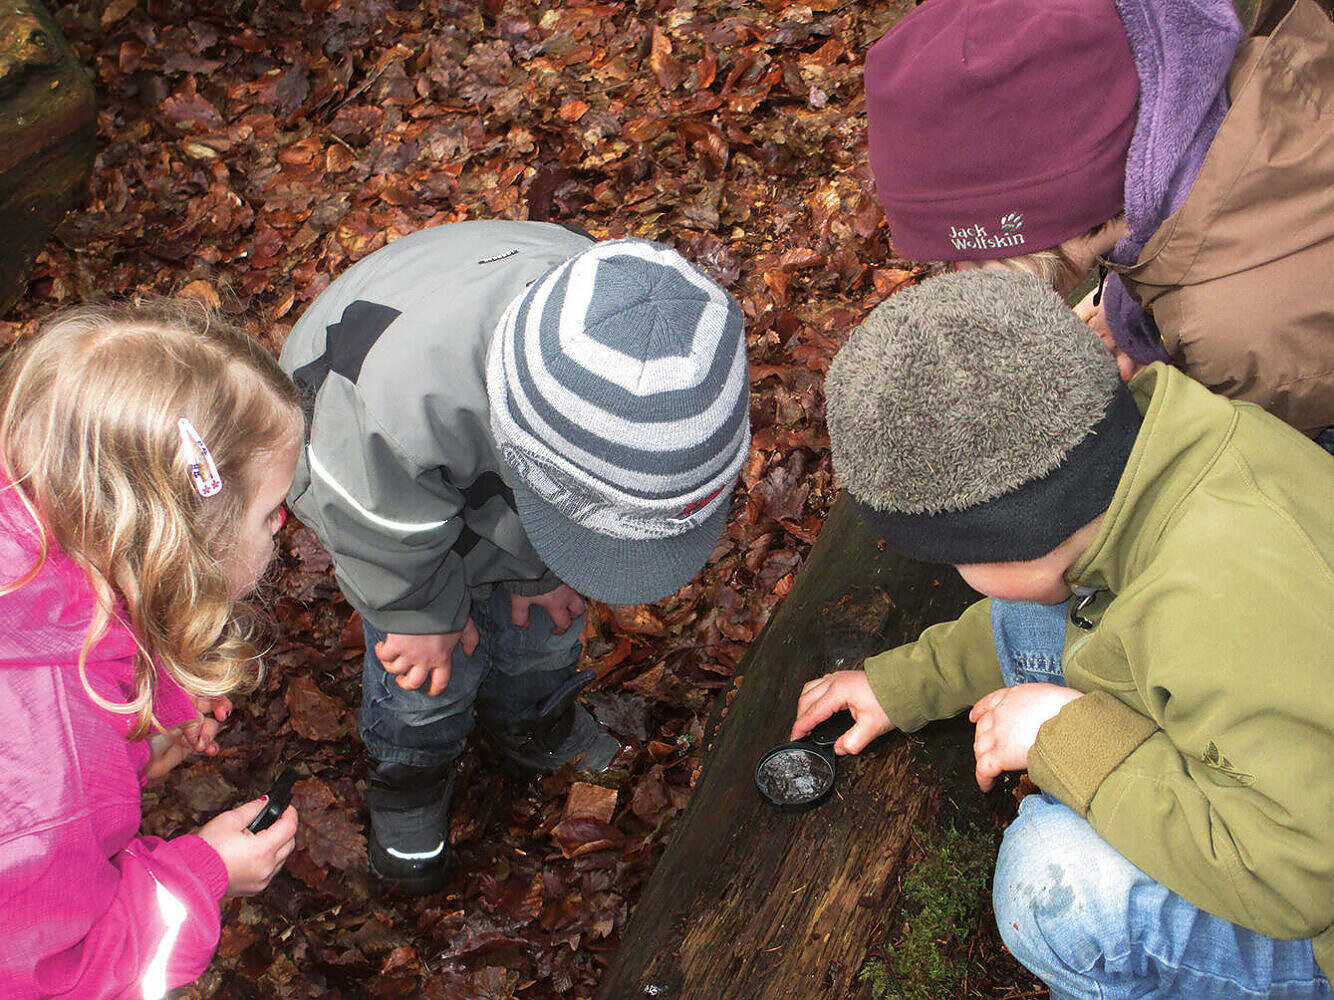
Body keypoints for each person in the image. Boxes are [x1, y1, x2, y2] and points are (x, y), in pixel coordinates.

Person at [793, 270, 1334, 999]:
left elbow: (1297, 877)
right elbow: (1038, 612)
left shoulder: (1216, 607)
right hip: (1290, 757)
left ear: (1007, 543)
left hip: (1308, 894)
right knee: (1045, 620)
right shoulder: (1177, 456)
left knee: (1050, 888)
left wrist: (1069, 735)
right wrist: (901, 685)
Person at [279, 221, 750, 895]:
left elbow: (566, 480)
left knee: (545, 621)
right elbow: (372, 524)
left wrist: (547, 568)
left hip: (499, 450)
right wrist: (420, 615)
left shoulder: (632, 330)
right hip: (371, 477)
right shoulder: (387, 406)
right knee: (428, 668)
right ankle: (411, 774)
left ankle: (535, 721)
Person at [0, 301, 305, 999]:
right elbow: (58, 981)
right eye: (269, 511)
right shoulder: (47, 788)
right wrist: (206, 874)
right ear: (183, 539)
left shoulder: (35, 506)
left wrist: (143, 711)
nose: (283, 524)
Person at [864, 0, 1334, 442]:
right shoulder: (1222, 101)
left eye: (967, 254)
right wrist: (1134, 312)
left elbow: (1271, 477)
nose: (961, 275)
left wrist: (1171, 384)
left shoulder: (1238, 341)